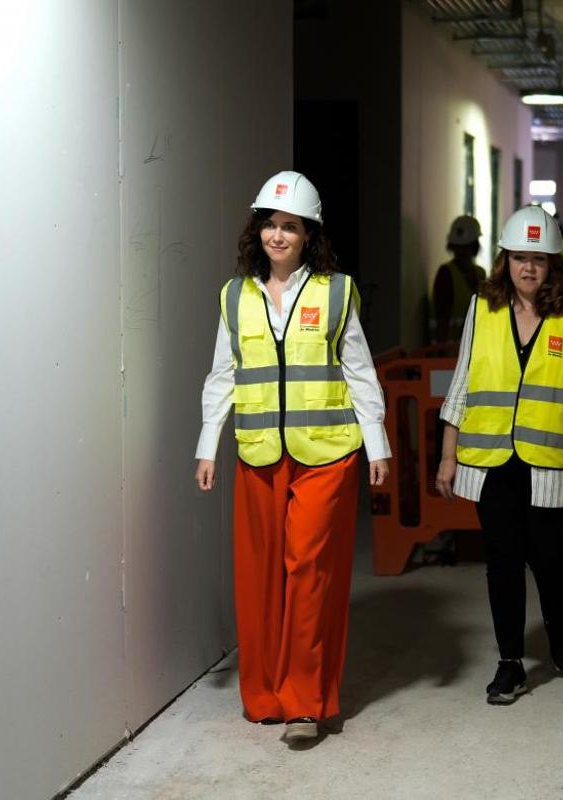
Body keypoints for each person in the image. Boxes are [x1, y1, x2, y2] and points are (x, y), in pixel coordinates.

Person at [194, 170, 392, 744]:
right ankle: (264, 698)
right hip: (258, 451)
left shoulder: (336, 291)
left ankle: (306, 700)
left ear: (310, 234)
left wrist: (376, 442)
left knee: (307, 569)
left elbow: (359, 371)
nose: (278, 236)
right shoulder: (235, 295)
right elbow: (222, 374)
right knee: (257, 576)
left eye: (290, 226)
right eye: (270, 225)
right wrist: (208, 444)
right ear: (257, 231)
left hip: (327, 452)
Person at [434, 205, 563, 705]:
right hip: (490, 459)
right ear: (505, 261)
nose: (527, 268)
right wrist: (448, 455)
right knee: (502, 562)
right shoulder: (481, 308)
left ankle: (559, 627)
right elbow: (462, 384)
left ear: (554, 263)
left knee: (551, 560)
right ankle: (510, 662)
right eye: (518, 258)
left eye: (538, 259)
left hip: (552, 465)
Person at [431, 215, 488, 342]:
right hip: (451, 352)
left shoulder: (480, 274)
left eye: (466, 247)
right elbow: (442, 319)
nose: (462, 252)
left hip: (475, 349)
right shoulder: (445, 274)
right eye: (459, 248)